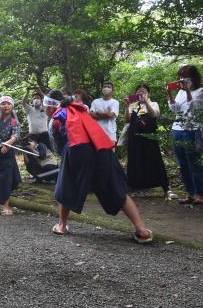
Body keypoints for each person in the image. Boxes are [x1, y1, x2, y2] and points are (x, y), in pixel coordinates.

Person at [47, 90, 153, 243]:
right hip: (101, 150)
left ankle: (62, 226)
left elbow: (58, 147)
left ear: (50, 106)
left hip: (77, 151)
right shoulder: (80, 110)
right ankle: (142, 230)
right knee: (116, 188)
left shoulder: (55, 118)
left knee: (67, 187)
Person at [124, 84, 178, 200]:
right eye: (138, 92)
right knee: (135, 160)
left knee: (154, 159)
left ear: (148, 93)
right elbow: (127, 120)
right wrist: (127, 106)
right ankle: (137, 187)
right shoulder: (133, 105)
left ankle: (165, 188)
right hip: (135, 137)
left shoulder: (153, 104)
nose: (141, 93)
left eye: (143, 91)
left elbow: (154, 115)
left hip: (149, 137)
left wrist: (145, 103)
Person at [167, 65, 203, 205]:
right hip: (177, 129)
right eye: (180, 76)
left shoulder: (201, 91)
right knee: (183, 164)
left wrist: (188, 92)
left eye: (185, 76)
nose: (182, 79)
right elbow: (175, 109)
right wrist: (170, 94)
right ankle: (190, 194)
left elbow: (196, 108)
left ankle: (201, 194)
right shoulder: (180, 92)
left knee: (194, 162)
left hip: (192, 129)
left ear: (194, 78)